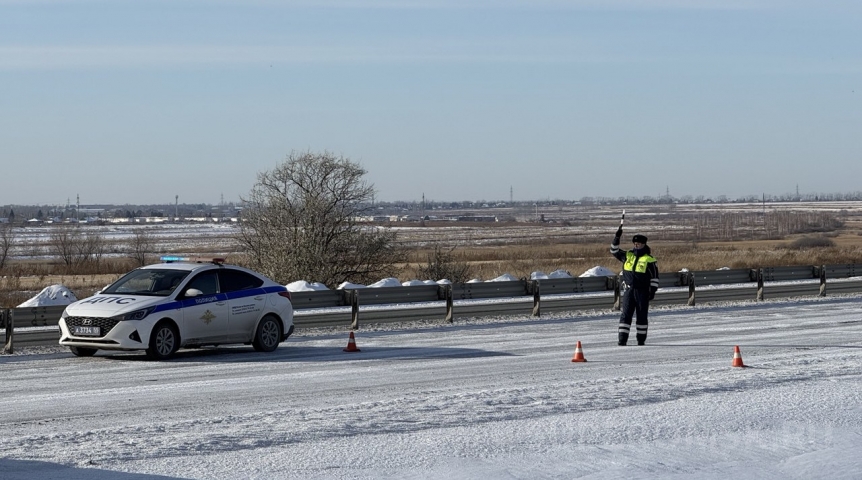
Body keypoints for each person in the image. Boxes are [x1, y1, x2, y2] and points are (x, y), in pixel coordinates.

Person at [611, 226, 659, 346]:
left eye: (638, 243)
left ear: (644, 244)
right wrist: (617, 237)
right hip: (628, 291)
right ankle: (622, 340)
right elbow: (614, 250)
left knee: (642, 316)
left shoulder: (649, 260)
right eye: (635, 243)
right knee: (625, 316)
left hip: (642, 292)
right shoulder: (628, 255)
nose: (636, 245)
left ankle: (641, 340)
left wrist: (652, 291)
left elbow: (654, 277)